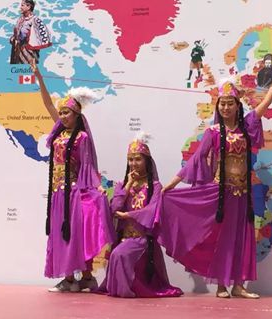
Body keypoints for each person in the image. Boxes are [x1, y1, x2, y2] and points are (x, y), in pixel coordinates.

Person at [160, 63, 272, 299]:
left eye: (229, 103)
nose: (225, 107)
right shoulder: (213, 132)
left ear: (237, 106)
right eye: (222, 104)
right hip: (221, 194)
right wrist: (172, 184)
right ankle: (221, 286)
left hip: (243, 194)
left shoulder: (247, 127)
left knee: (242, 239)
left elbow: (264, 105)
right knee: (221, 239)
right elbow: (197, 158)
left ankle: (239, 285)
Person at [32, 61, 114, 292]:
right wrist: (39, 77)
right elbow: (47, 103)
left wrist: (96, 188)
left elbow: (88, 166)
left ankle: (84, 277)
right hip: (57, 193)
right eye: (61, 113)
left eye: (66, 112)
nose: (62, 116)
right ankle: (70, 279)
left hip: (74, 192)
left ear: (77, 114)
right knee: (61, 235)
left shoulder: (81, 138)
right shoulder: (59, 133)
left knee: (76, 234)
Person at [98, 133, 183, 298]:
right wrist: (129, 184)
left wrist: (128, 215)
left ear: (146, 161)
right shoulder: (122, 185)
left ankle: (125, 291)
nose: (133, 163)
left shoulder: (155, 186)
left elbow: (152, 210)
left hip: (143, 239)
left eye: (138, 159)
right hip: (124, 238)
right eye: (130, 159)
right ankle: (121, 290)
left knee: (119, 254)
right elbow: (114, 208)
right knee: (117, 253)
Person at [10, 0, 52, 64]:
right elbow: (17, 34)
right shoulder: (20, 19)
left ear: (29, 7)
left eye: (22, 5)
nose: (20, 7)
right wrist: (14, 38)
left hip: (29, 52)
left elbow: (40, 36)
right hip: (18, 51)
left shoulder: (35, 20)